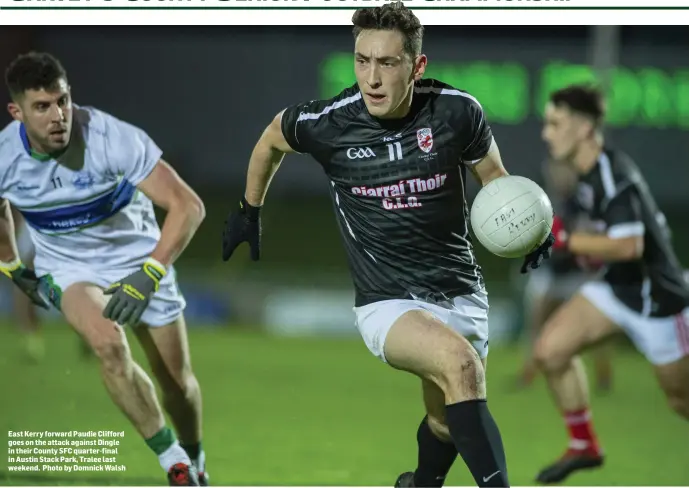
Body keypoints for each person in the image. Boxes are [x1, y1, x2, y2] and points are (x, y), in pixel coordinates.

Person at [221, 4, 554, 487]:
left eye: (387, 63)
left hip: (460, 291)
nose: (371, 78)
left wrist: (534, 229)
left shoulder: (457, 113)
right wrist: (249, 210)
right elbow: (271, 139)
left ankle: (420, 484)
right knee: (460, 366)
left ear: (417, 67)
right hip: (387, 300)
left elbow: (496, 180)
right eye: (362, 60)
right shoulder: (331, 123)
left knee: (445, 419)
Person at [0, 52, 208, 486]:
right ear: (16, 112)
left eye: (63, 101)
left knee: (178, 386)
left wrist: (149, 274)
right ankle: (175, 465)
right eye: (42, 106)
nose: (58, 115)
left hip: (141, 259)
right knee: (108, 346)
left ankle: (196, 457)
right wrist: (14, 267)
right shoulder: (5, 157)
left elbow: (188, 206)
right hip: (70, 268)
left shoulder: (111, 137)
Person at [534, 84, 689, 484]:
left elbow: (629, 244)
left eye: (555, 123)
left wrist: (564, 239)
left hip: (659, 300)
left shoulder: (611, 173)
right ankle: (584, 446)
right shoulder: (584, 176)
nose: (546, 133)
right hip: (616, 289)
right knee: (551, 350)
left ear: (585, 128)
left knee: (680, 400)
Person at [516, 158, 613, 392]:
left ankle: (604, 377)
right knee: (535, 321)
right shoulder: (541, 196)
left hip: (578, 273)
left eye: (563, 170)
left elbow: (593, 232)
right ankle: (528, 373)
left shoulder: (583, 199)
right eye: (555, 170)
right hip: (551, 270)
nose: (559, 175)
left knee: (596, 326)